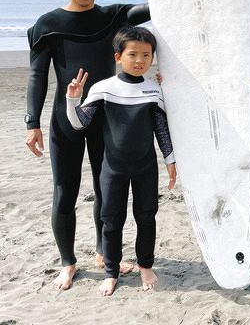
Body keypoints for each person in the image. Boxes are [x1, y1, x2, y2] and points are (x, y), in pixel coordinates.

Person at [24, 0, 150, 290]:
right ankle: (68, 262)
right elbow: (38, 77)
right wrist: (31, 122)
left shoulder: (113, 17)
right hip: (65, 119)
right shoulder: (47, 25)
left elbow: (158, 5)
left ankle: (100, 252)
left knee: (104, 189)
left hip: (105, 118)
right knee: (65, 191)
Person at [66, 26, 176, 296]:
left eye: (146, 55)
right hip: (113, 168)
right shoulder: (104, 89)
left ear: (153, 59)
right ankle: (111, 272)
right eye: (133, 54)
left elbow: (162, 129)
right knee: (112, 220)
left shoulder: (154, 90)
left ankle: (146, 266)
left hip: (145, 167)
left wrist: (170, 160)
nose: (140, 61)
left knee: (146, 217)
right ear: (118, 57)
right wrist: (73, 99)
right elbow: (79, 123)